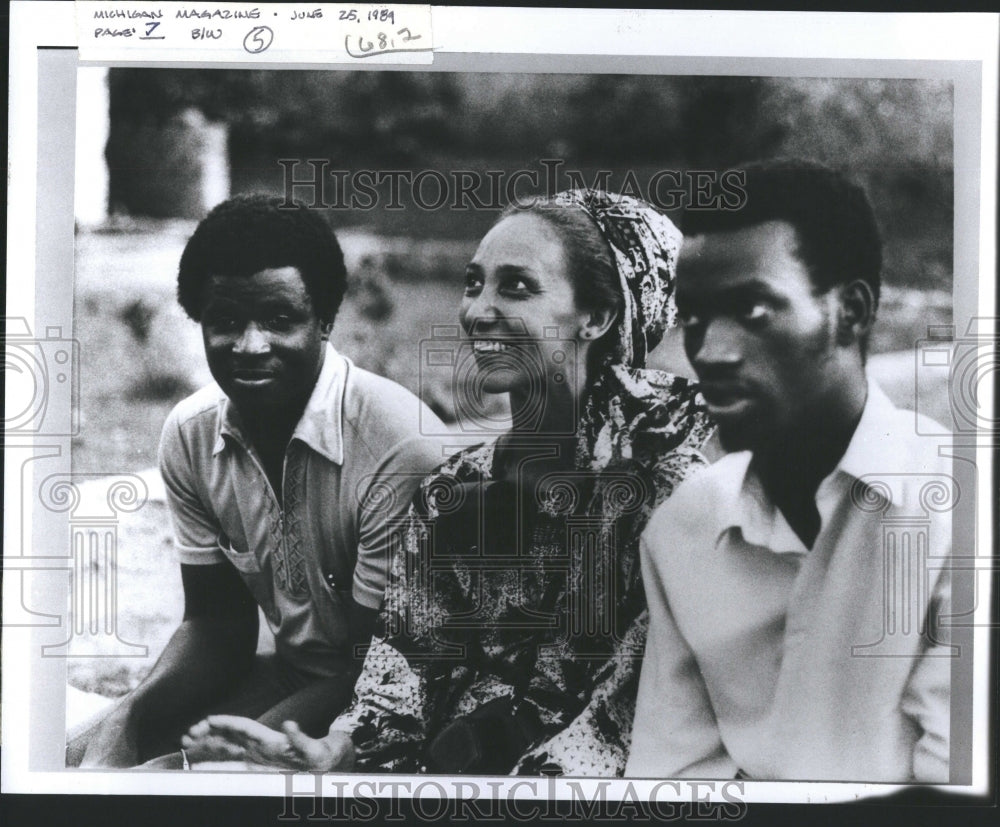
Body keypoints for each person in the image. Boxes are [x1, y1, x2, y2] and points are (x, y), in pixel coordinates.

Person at [183, 190, 713, 776]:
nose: (477, 310)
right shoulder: (458, 488)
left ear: (598, 316)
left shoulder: (670, 498)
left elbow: (619, 722)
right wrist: (336, 750)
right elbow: (407, 661)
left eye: (515, 287)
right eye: (473, 283)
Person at [69, 194, 448, 767]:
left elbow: (375, 666)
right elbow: (216, 625)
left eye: (278, 320)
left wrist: (236, 752)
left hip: (389, 710)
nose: (249, 346)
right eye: (225, 322)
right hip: (289, 681)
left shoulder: (398, 444)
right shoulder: (192, 435)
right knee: (76, 757)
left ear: (323, 321)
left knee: (192, 790)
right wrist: (129, 715)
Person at [626, 160, 953, 782]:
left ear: (850, 312)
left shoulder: (959, 509)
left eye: (752, 310)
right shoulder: (682, 529)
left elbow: (962, 817)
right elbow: (674, 779)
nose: (711, 353)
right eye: (692, 318)